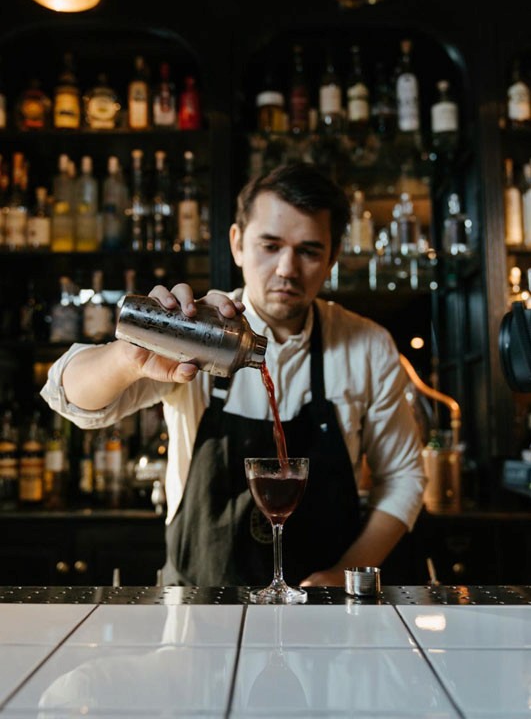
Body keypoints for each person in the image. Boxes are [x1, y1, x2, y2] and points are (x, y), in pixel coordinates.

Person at [41, 162, 426, 587]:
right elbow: (68, 395)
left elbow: (404, 477)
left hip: (324, 611)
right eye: (270, 245)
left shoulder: (368, 346)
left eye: (309, 251)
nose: (286, 269)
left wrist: (343, 575)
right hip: (196, 604)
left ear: (332, 257)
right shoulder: (200, 332)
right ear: (237, 243)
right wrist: (131, 356)